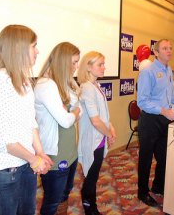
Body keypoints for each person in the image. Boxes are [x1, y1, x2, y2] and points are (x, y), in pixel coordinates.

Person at [0, 24, 52, 215]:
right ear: (18, 48)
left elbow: (31, 123)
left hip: (25, 166)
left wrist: (40, 152)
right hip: (3, 172)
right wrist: (33, 159)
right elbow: (3, 140)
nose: (38, 51)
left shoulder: (24, 82)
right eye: (34, 46)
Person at [137, 39, 174, 207]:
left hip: (164, 120)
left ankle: (158, 187)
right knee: (145, 159)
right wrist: (164, 111)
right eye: (165, 48)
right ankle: (142, 192)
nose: (169, 51)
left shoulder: (168, 70)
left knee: (164, 158)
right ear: (156, 52)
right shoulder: (147, 71)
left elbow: (170, 97)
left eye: (170, 48)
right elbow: (142, 101)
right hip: (150, 120)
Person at [34, 42, 81, 215]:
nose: (76, 67)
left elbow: (78, 110)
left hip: (69, 151)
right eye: (74, 62)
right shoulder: (46, 85)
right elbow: (66, 121)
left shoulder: (64, 82)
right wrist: (73, 113)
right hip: (55, 153)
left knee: (64, 195)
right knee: (52, 201)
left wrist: (72, 112)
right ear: (63, 62)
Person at [77, 51, 116, 215]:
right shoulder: (87, 88)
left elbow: (102, 114)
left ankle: (90, 203)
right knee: (91, 177)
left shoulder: (95, 85)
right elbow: (95, 120)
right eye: (100, 64)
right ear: (88, 66)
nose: (104, 67)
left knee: (94, 174)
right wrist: (108, 134)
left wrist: (111, 127)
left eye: (103, 64)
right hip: (93, 139)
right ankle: (89, 207)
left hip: (99, 138)